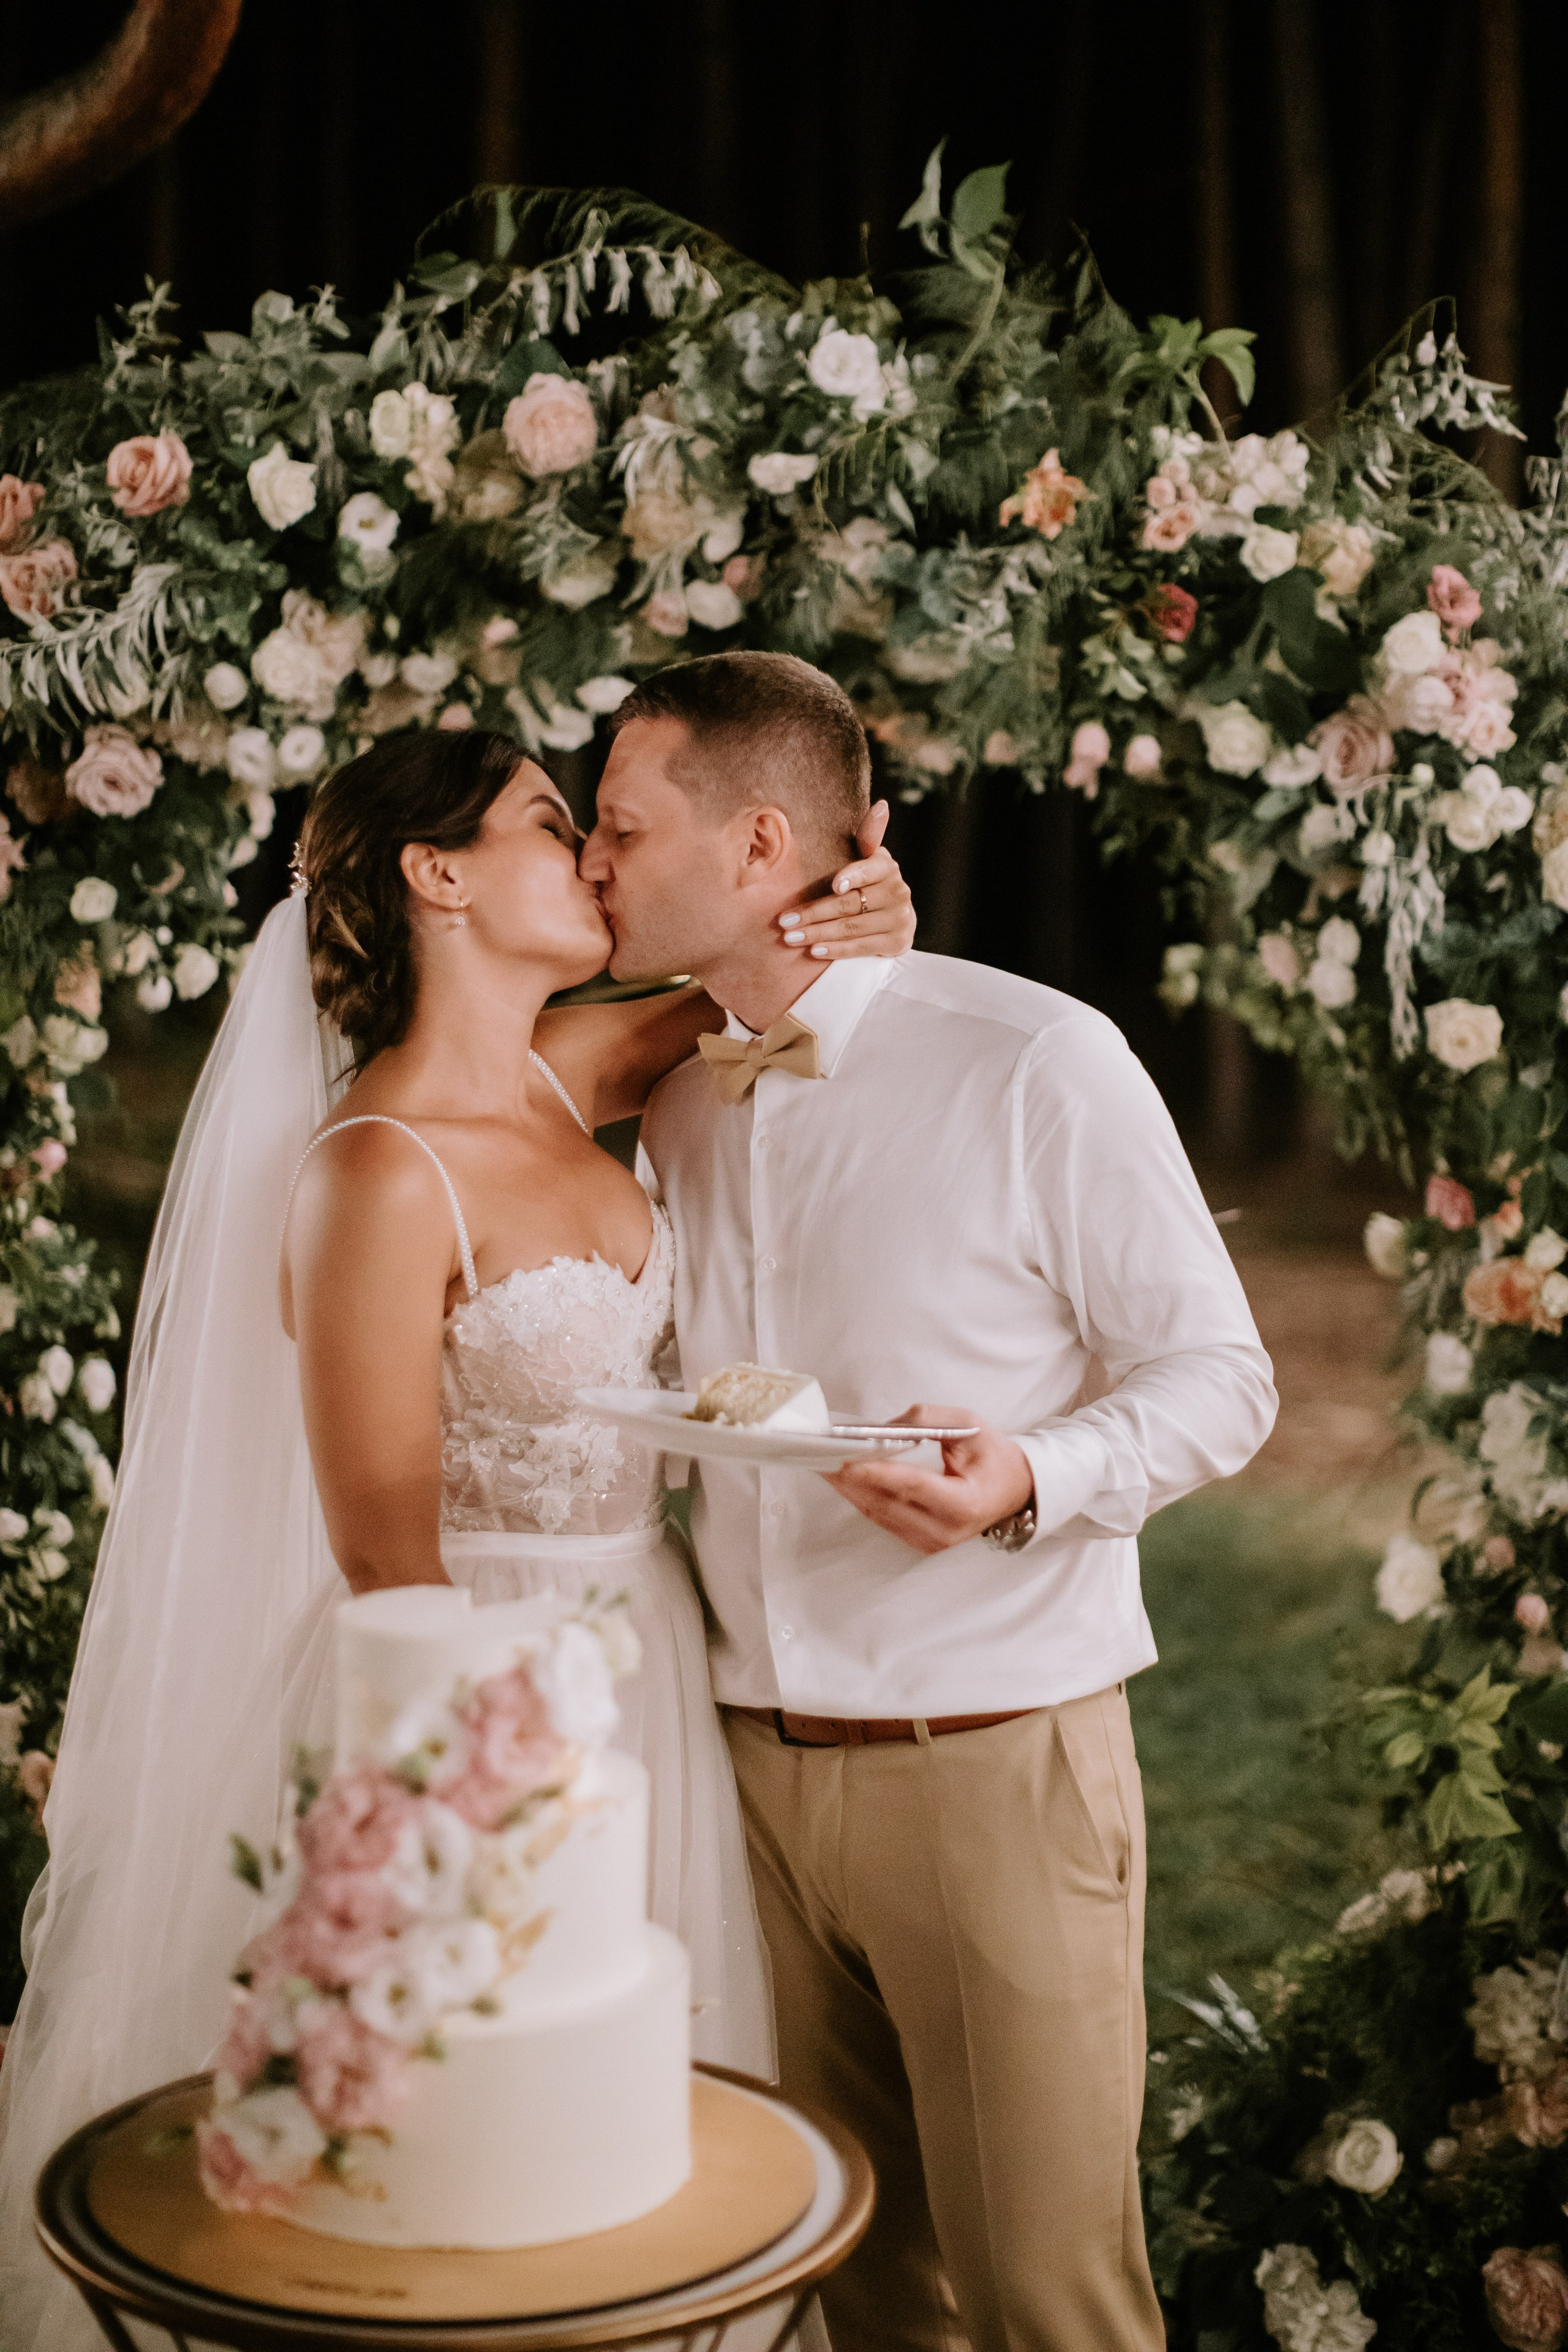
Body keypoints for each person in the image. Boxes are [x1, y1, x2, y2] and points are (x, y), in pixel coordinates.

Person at [0, 723, 914, 2352]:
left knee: (639, 2155)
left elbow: (762, 968)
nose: (592, 859)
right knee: (474, 2165)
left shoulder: (573, 1076)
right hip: (477, 1708)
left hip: (656, 1668)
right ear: (437, 875)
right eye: (555, 824)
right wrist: (494, 1814)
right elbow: (385, 1564)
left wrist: (867, 911)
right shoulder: (374, 1168)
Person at [579, 650, 1280, 2352]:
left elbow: (1224, 1379)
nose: (593, 860)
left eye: (617, 824)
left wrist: (1036, 1471)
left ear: (759, 846)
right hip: (740, 1770)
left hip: (987, 1763)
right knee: (859, 2288)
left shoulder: (1034, 1061)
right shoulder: (670, 1095)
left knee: (1051, 2294)